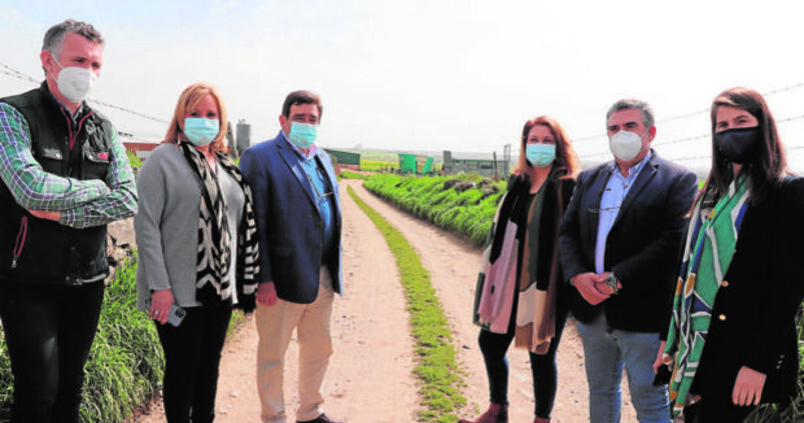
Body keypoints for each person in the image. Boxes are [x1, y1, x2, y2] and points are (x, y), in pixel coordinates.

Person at [0, 19, 137, 423]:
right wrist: (96, 192)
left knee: (71, 388)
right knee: (37, 391)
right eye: (79, 60)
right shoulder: (12, 115)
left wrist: (58, 208)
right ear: (48, 61)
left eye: (96, 64)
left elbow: (128, 197)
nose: (89, 72)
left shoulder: (105, 129)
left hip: (89, 279)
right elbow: (29, 190)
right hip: (27, 279)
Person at [657, 87, 804, 422]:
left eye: (741, 120)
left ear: (763, 125)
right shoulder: (712, 195)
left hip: (744, 356)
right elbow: (687, 270)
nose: (730, 131)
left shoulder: (787, 192)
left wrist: (758, 363)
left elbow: (789, 288)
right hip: (700, 350)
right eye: (721, 125)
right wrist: (670, 340)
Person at [558, 99, 697, 423]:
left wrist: (615, 279)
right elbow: (567, 233)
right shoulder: (590, 178)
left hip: (644, 315)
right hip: (592, 309)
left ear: (650, 132)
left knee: (649, 399)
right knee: (601, 390)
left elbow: (671, 242)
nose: (621, 134)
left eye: (630, 126)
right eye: (614, 128)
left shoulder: (678, 179)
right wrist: (578, 277)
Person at [134, 83, 259, 423]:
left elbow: (234, 227)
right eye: (194, 114)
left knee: (209, 368)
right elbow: (147, 227)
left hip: (217, 290)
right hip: (175, 294)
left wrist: (237, 281)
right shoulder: (164, 159)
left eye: (210, 114)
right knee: (182, 369)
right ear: (181, 117)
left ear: (221, 121)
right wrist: (159, 287)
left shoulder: (226, 165)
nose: (202, 120)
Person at [462, 117, 579, 423]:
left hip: (549, 283)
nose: (539, 147)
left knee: (541, 353)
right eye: (533, 140)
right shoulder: (519, 182)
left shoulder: (567, 186)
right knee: (490, 341)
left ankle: (542, 419)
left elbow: (575, 238)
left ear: (559, 146)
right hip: (508, 278)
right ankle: (498, 409)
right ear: (525, 145)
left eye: (546, 140)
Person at [240, 90, 344, 423]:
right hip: (280, 279)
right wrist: (263, 278)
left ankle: (311, 412)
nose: (306, 124)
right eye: (299, 118)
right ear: (283, 120)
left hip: (321, 274)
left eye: (312, 119)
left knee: (319, 349)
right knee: (273, 354)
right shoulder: (261, 157)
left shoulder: (323, 158)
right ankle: (273, 416)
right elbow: (254, 222)